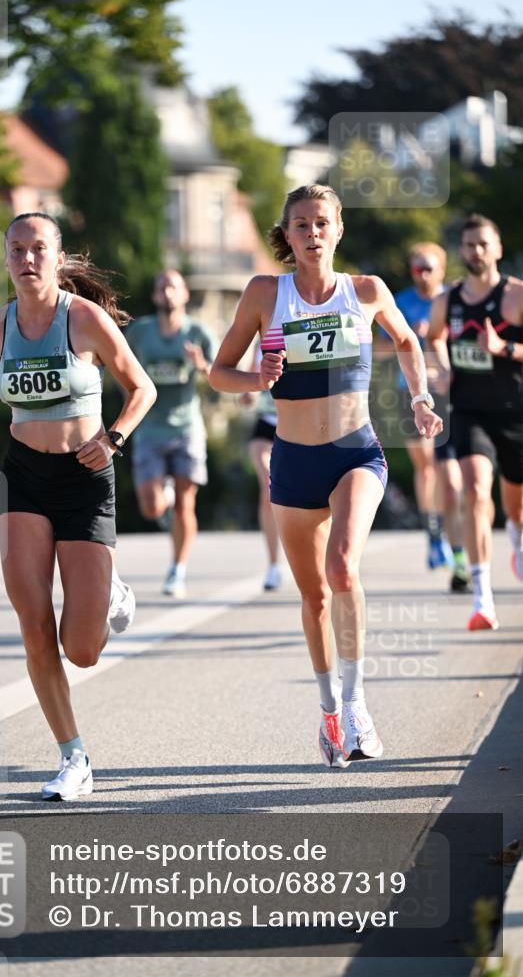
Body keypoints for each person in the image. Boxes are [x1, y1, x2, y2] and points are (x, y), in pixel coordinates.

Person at [210, 184, 442, 768]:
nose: (312, 233)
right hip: (293, 461)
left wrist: (420, 398)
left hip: (354, 453)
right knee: (313, 596)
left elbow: (408, 340)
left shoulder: (365, 291)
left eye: (322, 223)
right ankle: (329, 710)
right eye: (301, 224)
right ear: (287, 235)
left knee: (342, 568)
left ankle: (358, 703)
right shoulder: (266, 293)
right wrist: (257, 378)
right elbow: (219, 372)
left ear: (338, 230)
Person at [0, 211, 156, 800]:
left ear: (58, 256)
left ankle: (111, 592)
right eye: (16, 249)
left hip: (85, 478)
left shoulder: (85, 320)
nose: (27, 259)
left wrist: (114, 438)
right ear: (6, 259)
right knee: (34, 624)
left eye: (38, 248)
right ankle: (74, 757)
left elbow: (141, 388)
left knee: (83, 650)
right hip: (23, 477)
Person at [428, 214, 523, 631]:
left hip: (515, 411)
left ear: (497, 248)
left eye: (484, 244)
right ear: (461, 250)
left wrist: (504, 348)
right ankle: (483, 599)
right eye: (469, 244)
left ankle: (516, 533)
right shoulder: (447, 301)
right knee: (476, 490)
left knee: (516, 506)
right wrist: (442, 367)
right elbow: (433, 338)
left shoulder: (516, 296)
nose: (476, 251)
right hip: (468, 411)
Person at [379, 243, 469, 590]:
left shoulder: (453, 299)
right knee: (427, 466)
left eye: (429, 268)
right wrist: (409, 337)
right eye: (418, 268)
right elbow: (380, 348)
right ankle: (433, 533)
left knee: (450, 473)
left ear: (442, 270)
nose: (424, 274)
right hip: (412, 394)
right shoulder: (400, 301)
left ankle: (453, 538)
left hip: (450, 391)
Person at [126, 269, 217, 598]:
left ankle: (177, 571)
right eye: (161, 287)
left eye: (173, 287)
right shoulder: (139, 332)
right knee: (151, 508)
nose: (167, 293)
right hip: (149, 428)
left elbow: (221, 376)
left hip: (186, 428)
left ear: (184, 294)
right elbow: (120, 367)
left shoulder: (198, 332)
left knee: (185, 505)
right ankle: (162, 496)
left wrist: (201, 364)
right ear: (154, 295)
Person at [240, 345, 282, 591]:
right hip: (266, 425)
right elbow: (250, 385)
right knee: (268, 487)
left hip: (300, 425)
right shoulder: (259, 344)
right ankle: (274, 564)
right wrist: (248, 395)